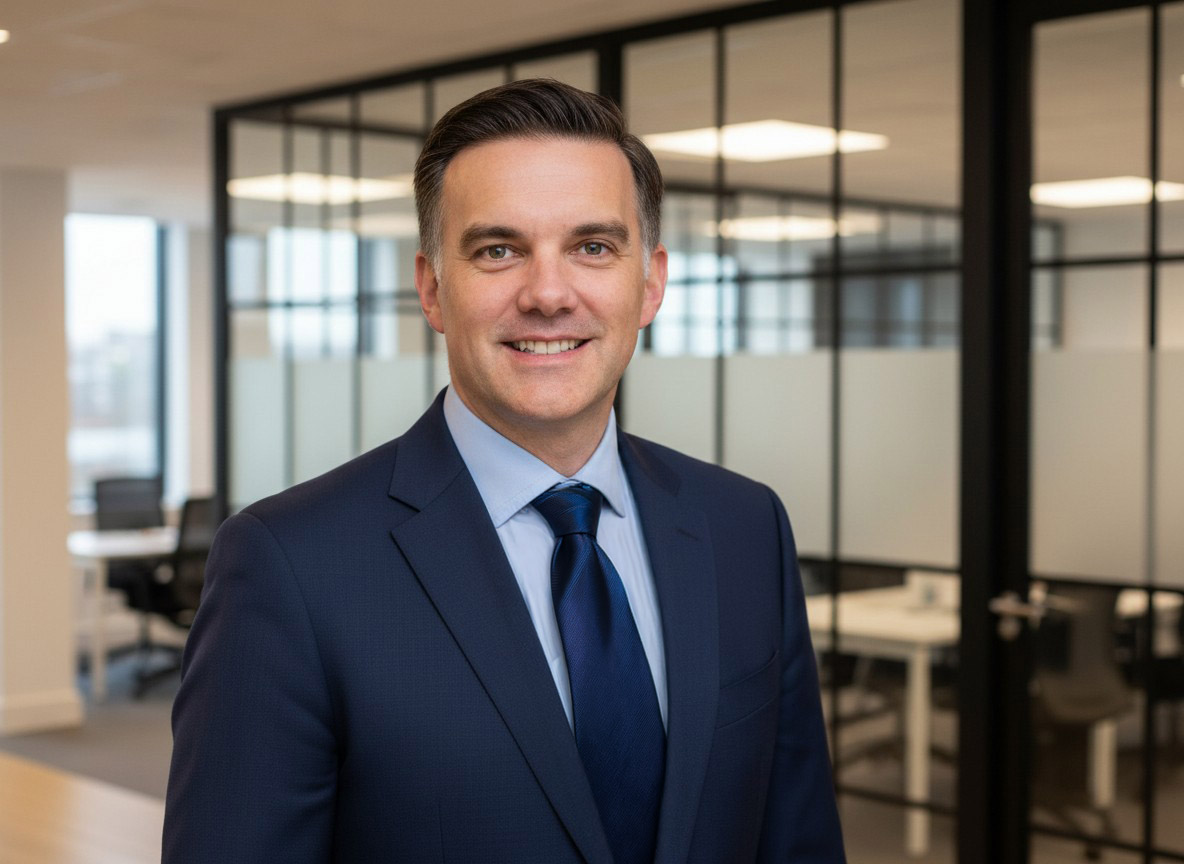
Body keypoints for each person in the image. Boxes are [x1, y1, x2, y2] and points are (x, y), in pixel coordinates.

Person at [163, 78, 845, 864]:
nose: (548, 294)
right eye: (498, 250)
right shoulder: (290, 564)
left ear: (651, 284)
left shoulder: (744, 526)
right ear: (432, 288)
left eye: (593, 247)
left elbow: (797, 840)